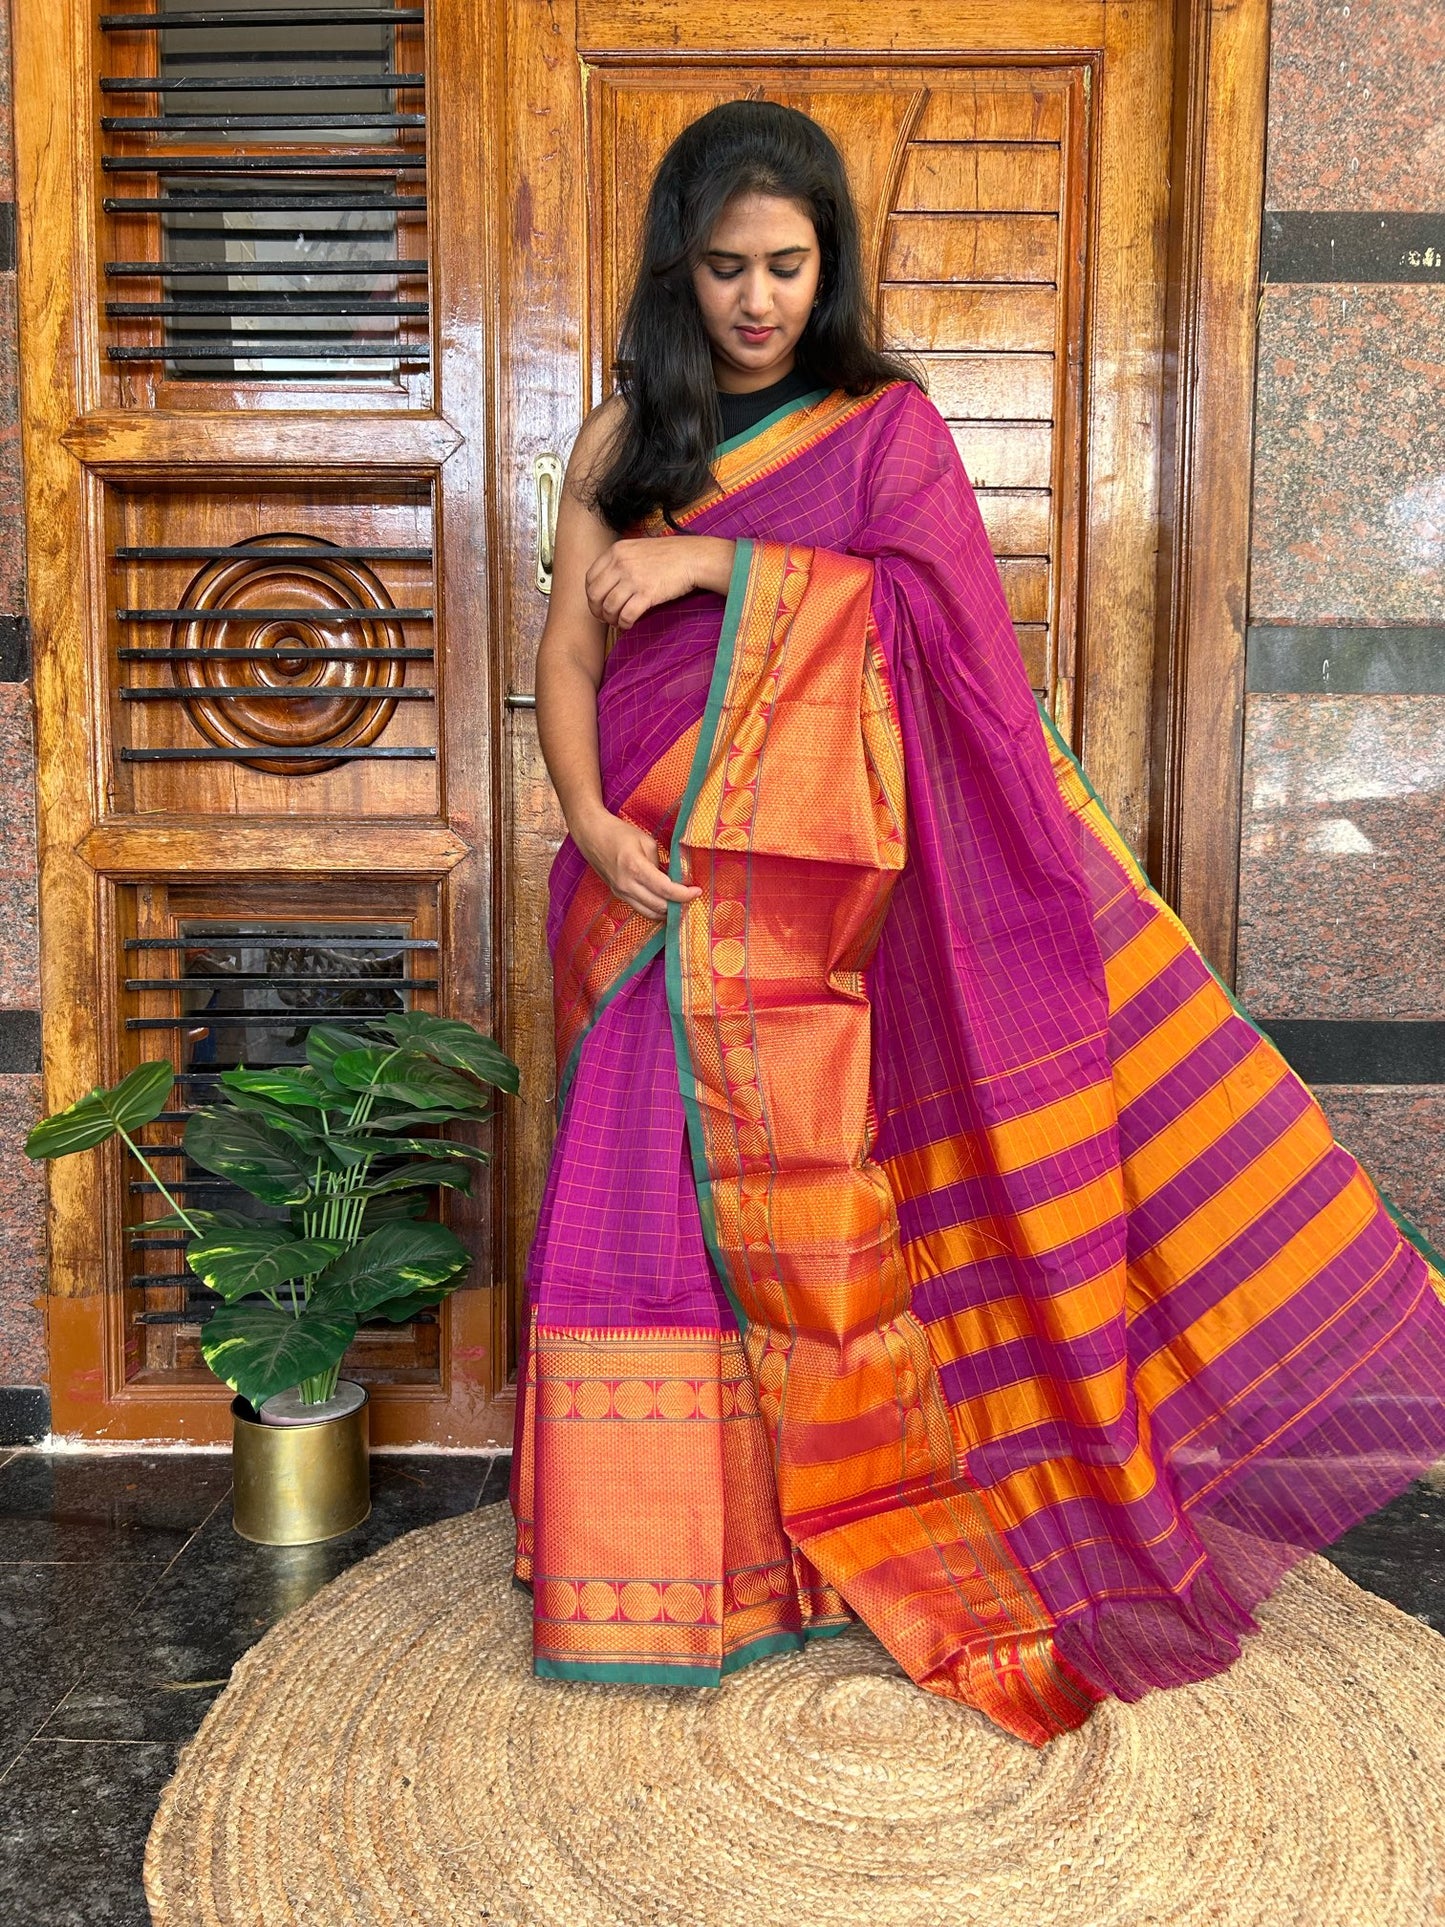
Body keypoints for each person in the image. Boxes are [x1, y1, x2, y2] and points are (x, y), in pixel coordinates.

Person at [509, 99, 1445, 1747]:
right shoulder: (618, 443)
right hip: (646, 883)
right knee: (645, 1197)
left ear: (827, 266)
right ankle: (655, 1567)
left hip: (816, 913)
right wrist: (590, 818)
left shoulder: (881, 433)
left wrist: (722, 577)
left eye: (785, 266)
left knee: (810, 1218)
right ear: (681, 268)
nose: (754, 300)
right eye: (724, 267)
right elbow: (567, 666)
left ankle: (813, 1553)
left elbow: (944, 641)